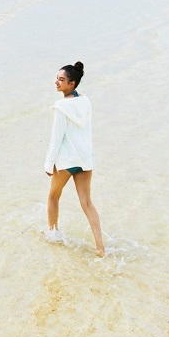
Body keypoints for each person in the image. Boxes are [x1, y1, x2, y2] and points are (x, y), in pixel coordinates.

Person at [44, 60, 104, 257]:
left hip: (67, 161)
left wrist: (48, 163)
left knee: (53, 196)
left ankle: (52, 234)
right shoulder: (85, 101)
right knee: (87, 203)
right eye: (57, 78)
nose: (56, 82)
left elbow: (56, 137)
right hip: (85, 160)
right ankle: (100, 247)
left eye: (61, 80)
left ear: (72, 84)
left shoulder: (61, 106)